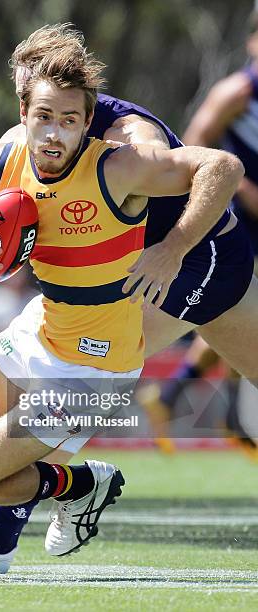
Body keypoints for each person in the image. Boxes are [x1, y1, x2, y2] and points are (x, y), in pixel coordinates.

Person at [0, 32, 242, 578]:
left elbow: (223, 167)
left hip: (98, 372)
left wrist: (172, 248)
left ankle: (83, 483)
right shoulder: (1, 161)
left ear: (87, 123)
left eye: (70, 119)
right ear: (24, 113)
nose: (54, 131)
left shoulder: (120, 166)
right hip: (41, 330)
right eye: (43, 116)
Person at [141, 11, 258, 457]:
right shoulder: (238, 92)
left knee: (233, 315)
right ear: (252, 44)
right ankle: (210, 409)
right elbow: (192, 149)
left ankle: (180, 399)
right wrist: (243, 188)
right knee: (227, 309)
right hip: (233, 222)